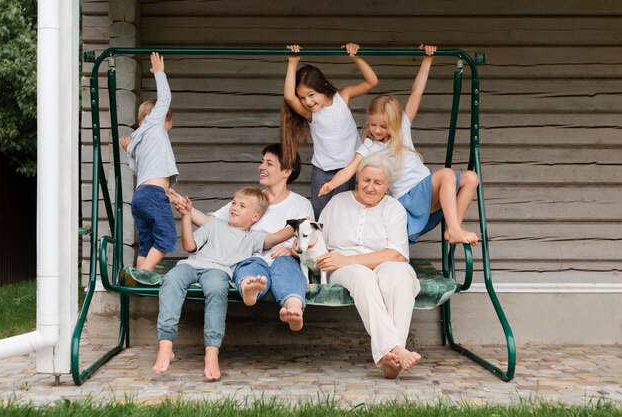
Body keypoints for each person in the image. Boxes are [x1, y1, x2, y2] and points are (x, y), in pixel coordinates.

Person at [319, 45, 479, 245]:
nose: (376, 130)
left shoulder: (402, 126)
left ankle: (453, 228)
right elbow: (350, 169)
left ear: (394, 123)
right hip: (408, 198)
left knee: (471, 178)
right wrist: (331, 184)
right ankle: (455, 229)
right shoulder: (369, 146)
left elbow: (416, 92)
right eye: (373, 124)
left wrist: (427, 60)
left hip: (426, 191)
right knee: (446, 174)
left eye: (383, 126)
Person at [153, 187, 294, 381]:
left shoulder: (252, 238)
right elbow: (189, 246)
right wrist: (186, 216)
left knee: (217, 290)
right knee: (172, 279)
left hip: (218, 272)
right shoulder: (214, 224)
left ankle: (212, 352)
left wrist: (298, 225)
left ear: (255, 217)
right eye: (234, 202)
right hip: (191, 264)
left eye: (242, 206)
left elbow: (276, 237)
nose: (234, 207)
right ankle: (166, 344)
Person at [170, 143, 313, 332]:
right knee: (248, 268)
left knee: (287, 269)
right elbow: (210, 223)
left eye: (269, 163)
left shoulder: (300, 204)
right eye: (262, 162)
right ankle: (249, 289)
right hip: (250, 258)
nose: (261, 167)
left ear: (286, 171)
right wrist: (183, 206)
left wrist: (292, 250)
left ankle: (294, 308)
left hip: (284, 259)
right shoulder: (251, 201)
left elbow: (308, 239)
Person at [317, 153, 422, 379]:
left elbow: (396, 254)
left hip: (378, 262)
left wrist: (349, 259)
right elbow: (318, 241)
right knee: (362, 277)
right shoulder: (338, 202)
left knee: (400, 275)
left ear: (388, 185)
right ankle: (397, 351)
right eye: (366, 180)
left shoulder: (393, 208)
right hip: (342, 268)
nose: (370, 187)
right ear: (358, 178)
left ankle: (390, 357)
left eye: (378, 182)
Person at [281, 43, 379, 219]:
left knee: (340, 213)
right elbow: (289, 96)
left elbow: (372, 82)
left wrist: (355, 57)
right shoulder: (310, 114)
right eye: (302, 98)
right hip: (322, 169)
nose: (308, 102)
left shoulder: (343, 97)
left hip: (346, 168)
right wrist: (292, 63)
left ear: (323, 86)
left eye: (311, 94)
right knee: (320, 213)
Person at [119, 52, 179, 273]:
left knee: (147, 241)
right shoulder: (155, 125)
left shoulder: (136, 140)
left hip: (140, 197)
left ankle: (138, 273)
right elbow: (164, 100)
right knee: (167, 238)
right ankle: (143, 274)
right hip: (154, 194)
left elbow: (134, 168)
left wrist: (128, 151)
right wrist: (160, 74)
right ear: (166, 120)